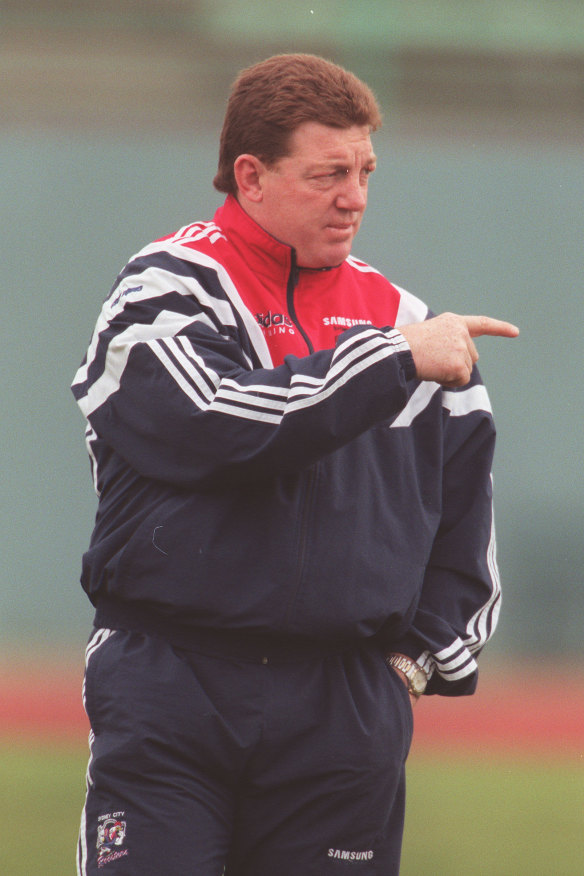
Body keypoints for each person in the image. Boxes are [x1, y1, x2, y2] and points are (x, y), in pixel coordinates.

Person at [71, 53, 518, 876]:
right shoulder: (166, 287)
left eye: (365, 171)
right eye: (328, 174)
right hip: (172, 682)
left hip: (344, 708)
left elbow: (465, 523)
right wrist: (391, 362)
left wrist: (411, 666)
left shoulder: (407, 321)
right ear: (252, 175)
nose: (355, 197)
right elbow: (216, 426)